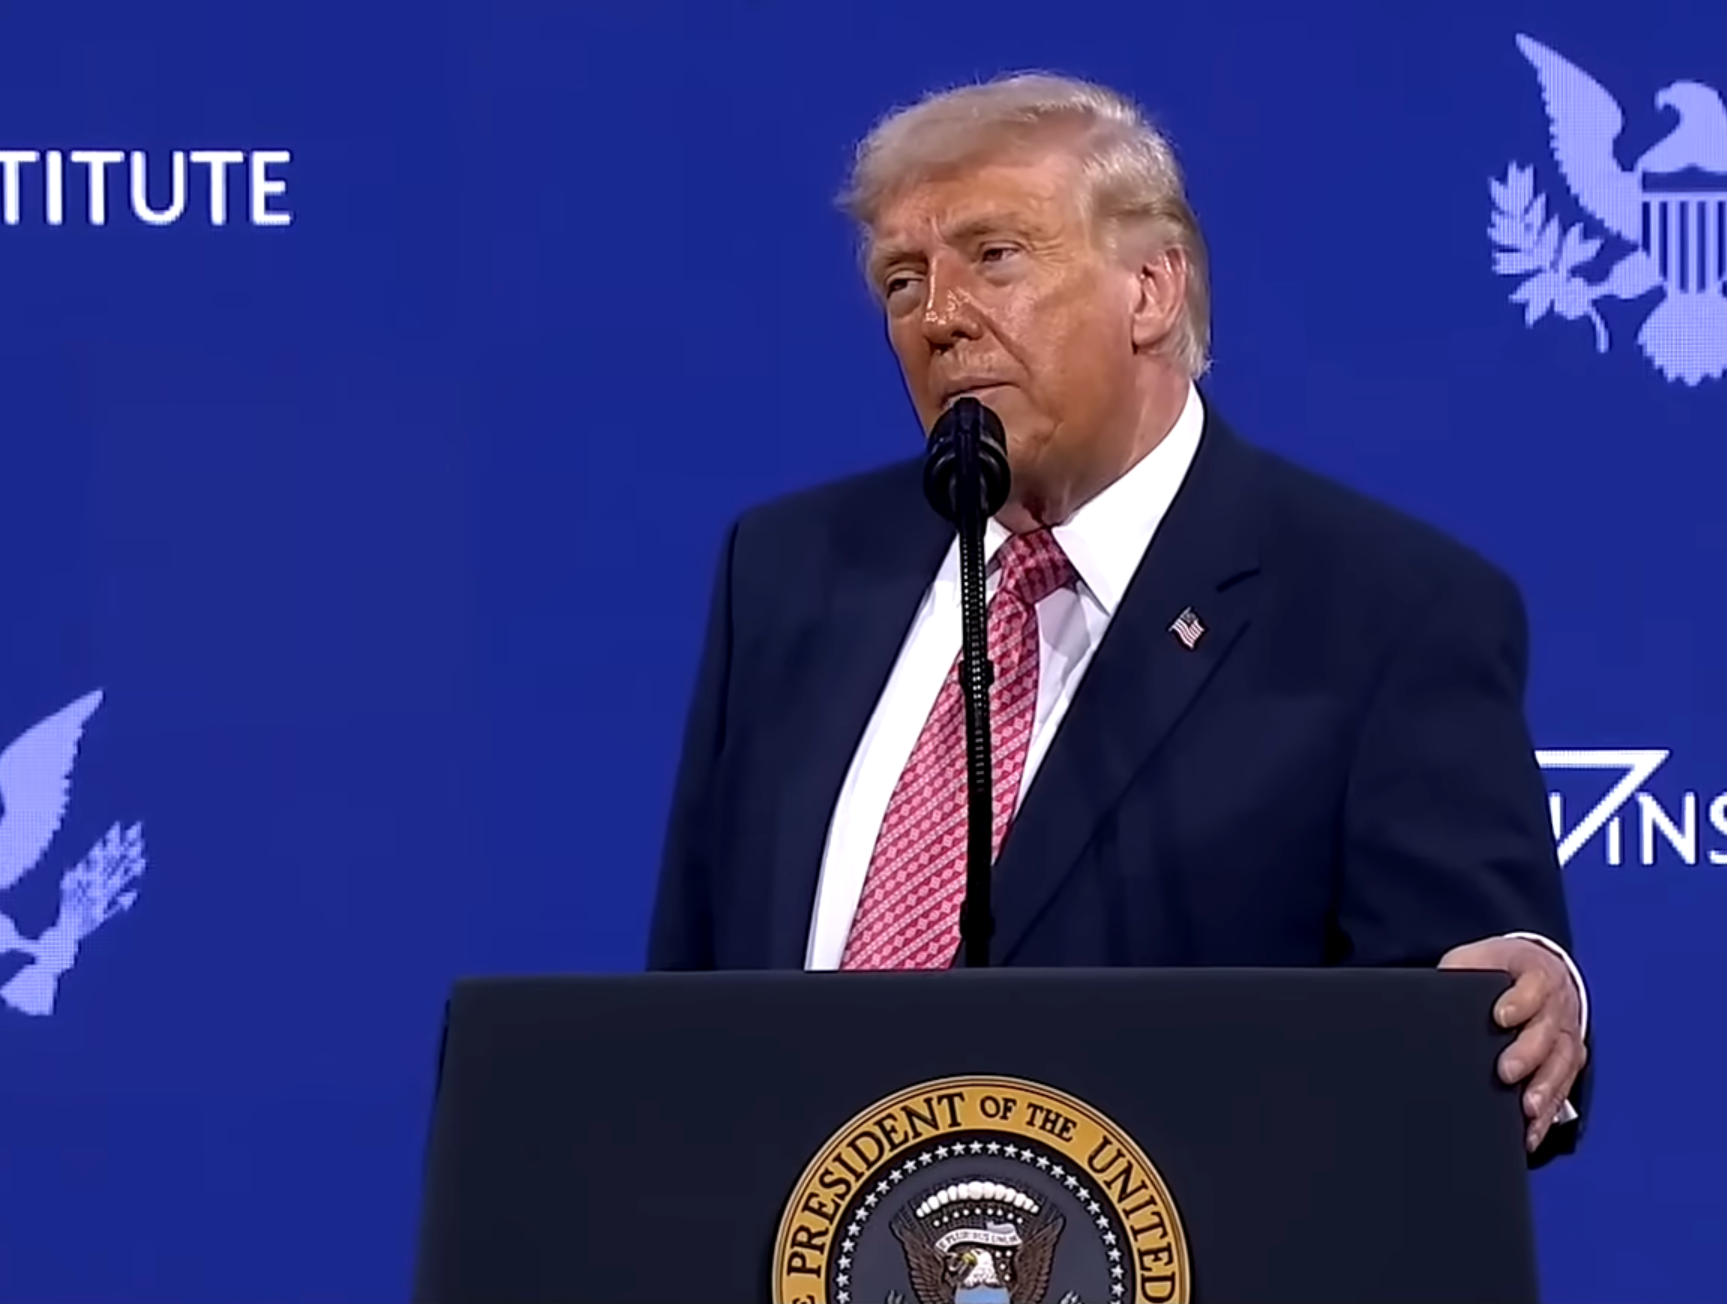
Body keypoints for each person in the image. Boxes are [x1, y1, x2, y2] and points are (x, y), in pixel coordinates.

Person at [645, 72, 1591, 1159]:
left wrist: (1525, 991)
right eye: (901, 281)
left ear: (1148, 289)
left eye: (992, 255)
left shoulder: (1383, 607)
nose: (939, 316)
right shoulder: (787, 570)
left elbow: (1469, 999)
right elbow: (689, 1004)